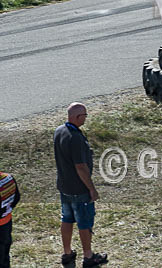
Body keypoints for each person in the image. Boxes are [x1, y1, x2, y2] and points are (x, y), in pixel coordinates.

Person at [54, 103, 108, 268]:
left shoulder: (59, 131)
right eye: (85, 115)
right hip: (79, 189)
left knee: (67, 219)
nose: (86, 118)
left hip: (64, 186)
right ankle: (88, 257)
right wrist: (91, 189)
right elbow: (80, 167)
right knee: (84, 223)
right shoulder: (75, 138)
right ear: (77, 117)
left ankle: (67, 253)